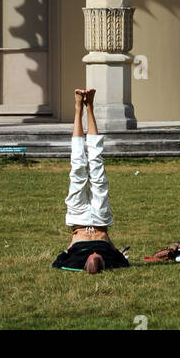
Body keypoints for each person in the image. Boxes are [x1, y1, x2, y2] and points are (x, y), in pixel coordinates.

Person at [51, 88, 129, 273]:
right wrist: (113, 248)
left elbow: (58, 261)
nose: (94, 257)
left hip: (78, 221)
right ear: (101, 263)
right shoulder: (111, 260)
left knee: (78, 168)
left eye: (91, 261)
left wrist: (70, 249)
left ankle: (79, 107)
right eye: (98, 261)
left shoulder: (74, 262)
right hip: (100, 220)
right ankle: (90, 107)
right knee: (96, 166)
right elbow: (122, 259)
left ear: (86, 264)